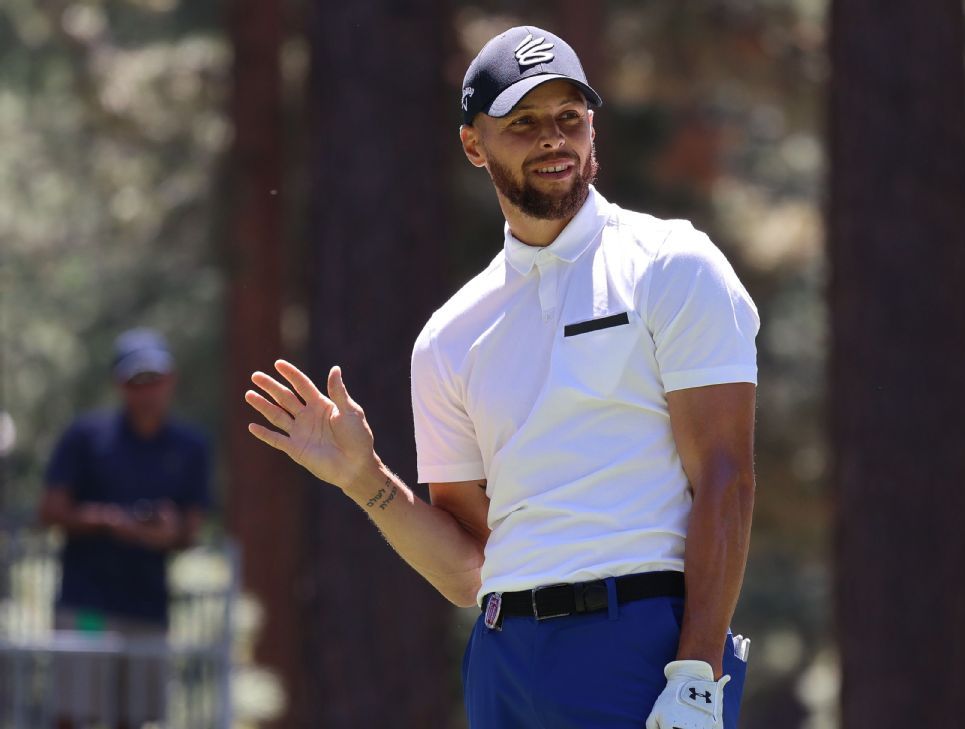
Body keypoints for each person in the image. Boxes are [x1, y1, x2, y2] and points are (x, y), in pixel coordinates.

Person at [245, 25, 757, 729]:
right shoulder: (449, 337)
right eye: (523, 122)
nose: (553, 138)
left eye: (569, 117)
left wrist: (699, 673)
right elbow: (467, 571)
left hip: (640, 646)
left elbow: (727, 476)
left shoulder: (672, 264)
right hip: (503, 660)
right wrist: (365, 480)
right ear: (473, 144)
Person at [39, 328, 211, 729]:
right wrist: (107, 521)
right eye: (137, 380)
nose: (148, 390)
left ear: (171, 380)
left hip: (148, 608)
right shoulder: (86, 436)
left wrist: (169, 532)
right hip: (87, 606)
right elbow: (50, 509)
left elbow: (192, 529)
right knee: (76, 714)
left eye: (155, 379)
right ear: (120, 384)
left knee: (137, 720)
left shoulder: (191, 447)